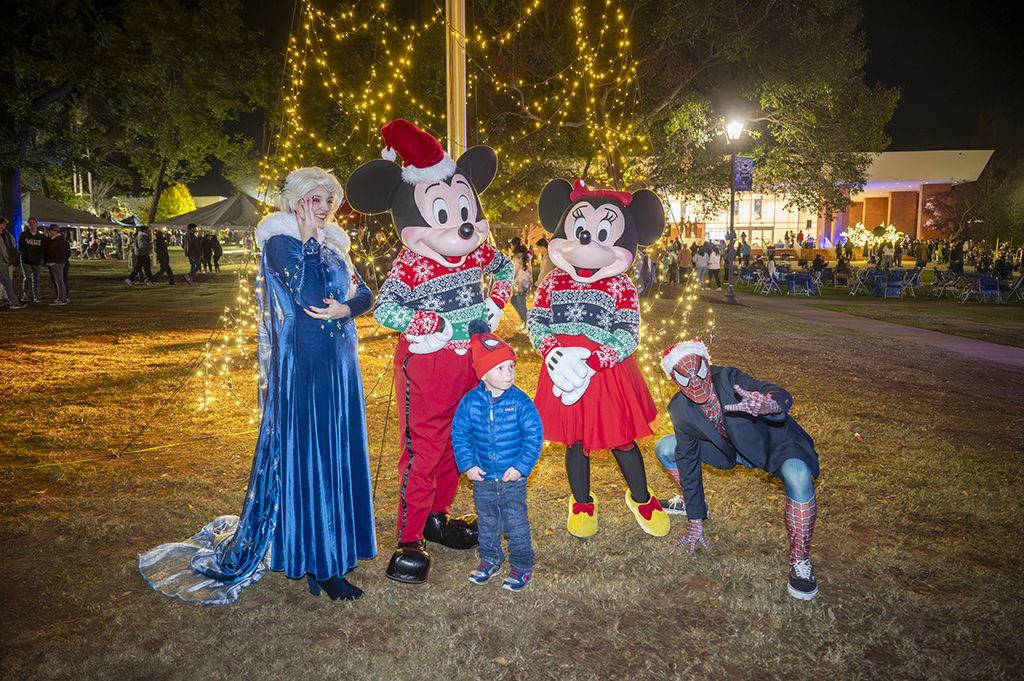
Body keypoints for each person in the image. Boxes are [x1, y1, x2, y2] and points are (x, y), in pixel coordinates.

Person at [139, 167, 377, 604]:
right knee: (313, 457)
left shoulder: (337, 243)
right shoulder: (279, 241)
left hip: (341, 365)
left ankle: (338, 546)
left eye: (329, 201)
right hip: (304, 364)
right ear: (296, 201)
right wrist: (308, 240)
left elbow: (366, 294)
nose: (323, 209)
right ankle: (320, 563)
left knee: (338, 452)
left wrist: (345, 308)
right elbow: (308, 294)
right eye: (315, 200)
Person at [655, 340, 820, 600]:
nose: (695, 382)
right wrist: (695, 520)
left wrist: (769, 406)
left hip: (773, 443)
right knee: (665, 447)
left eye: (698, 372)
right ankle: (693, 504)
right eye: (683, 377)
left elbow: (774, 391)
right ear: (673, 380)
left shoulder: (730, 378)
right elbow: (686, 459)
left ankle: (800, 562)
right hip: (727, 450)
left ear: (707, 366)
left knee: (799, 477)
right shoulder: (679, 409)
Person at [452, 320, 543, 592]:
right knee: (487, 521)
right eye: (500, 368)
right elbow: (460, 435)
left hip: (511, 477)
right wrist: (468, 465)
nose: (508, 373)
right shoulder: (470, 402)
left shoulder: (521, 402)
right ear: (482, 374)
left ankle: (522, 564)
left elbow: (534, 436)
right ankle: (490, 558)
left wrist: (521, 467)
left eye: (511, 366)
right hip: (483, 479)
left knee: (515, 522)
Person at [0, 218, 26, 309]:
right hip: (3, 262)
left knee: (6, 282)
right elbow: (3, 251)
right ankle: (13, 302)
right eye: (3, 224)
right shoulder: (5, 236)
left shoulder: (6, 235)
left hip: (4, 262)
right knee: (7, 282)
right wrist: (8, 260)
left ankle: (11, 300)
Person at [18, 217, 45, 303]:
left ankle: (36, 295)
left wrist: (40, 259)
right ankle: (25, 295)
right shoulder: (23, 235)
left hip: (36, 261)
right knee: (27, 278)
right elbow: (21, 248)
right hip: (26, 260)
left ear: (36, 224)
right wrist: (26, 256)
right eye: (30, 223)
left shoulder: (41, 237)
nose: (32, 224)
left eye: (34, 222)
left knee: (36, 279)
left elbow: (43, 249)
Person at [43, 225, 70, 305]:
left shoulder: (57, 241)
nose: (49, 233)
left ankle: (62, 298)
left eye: (50, 231)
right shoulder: (59, 240)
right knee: (59, 281)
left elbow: (49, 248)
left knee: (59, 281)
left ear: (55, 232)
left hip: (57, 262)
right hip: (58, 262)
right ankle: (62, 298)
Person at [509, 245, 532, 329]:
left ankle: (526, 322)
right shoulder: (527, 256)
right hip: (525, 281)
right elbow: (530, 270)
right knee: (515, 301)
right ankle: (524, 319)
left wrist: (511, 279)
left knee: (520, 303)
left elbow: (515, 270)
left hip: (519, 282)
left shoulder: (516, 258)